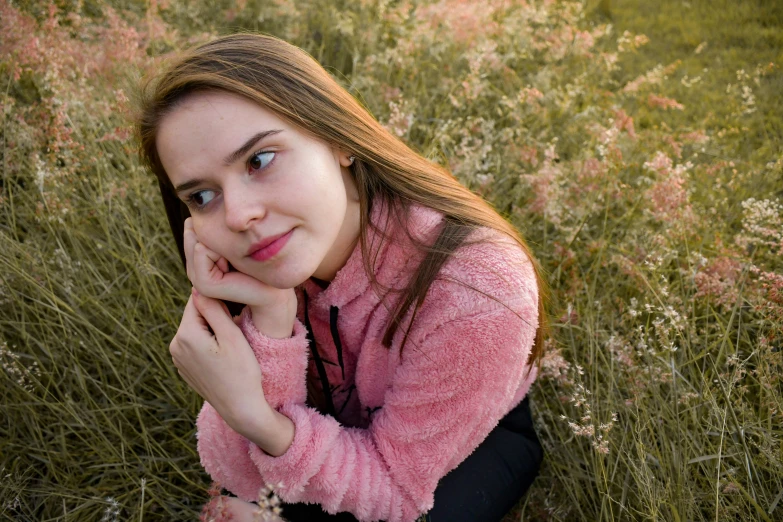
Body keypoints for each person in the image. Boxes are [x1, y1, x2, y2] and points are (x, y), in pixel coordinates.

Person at [135, 33, 546, 522]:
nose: (239, 216)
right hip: (330, 432)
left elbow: (393, 489)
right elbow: (238, 480)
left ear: (337, 139)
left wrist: (257, 420)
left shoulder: (478, 289)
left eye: (259, 160)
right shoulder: (259, 269)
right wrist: (267, 327)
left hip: (457, 447)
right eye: (202, 197)